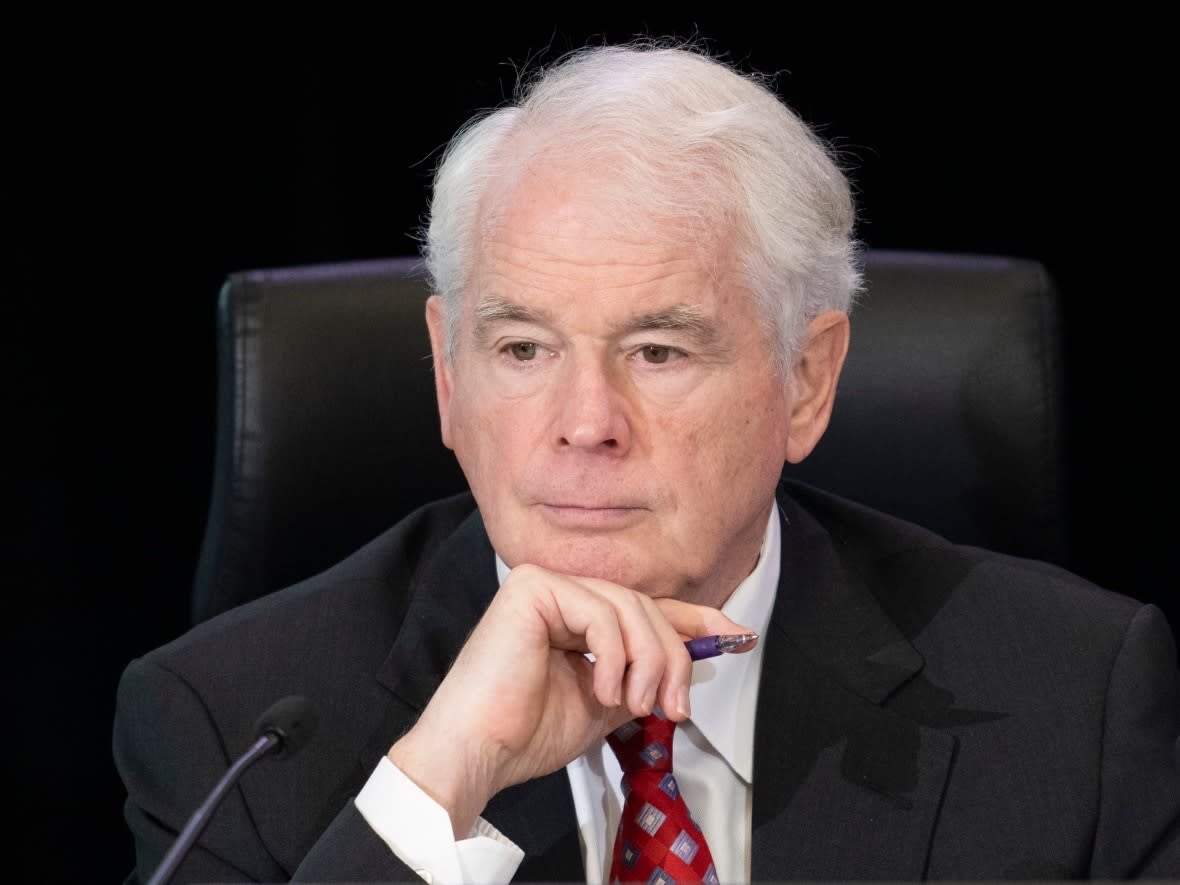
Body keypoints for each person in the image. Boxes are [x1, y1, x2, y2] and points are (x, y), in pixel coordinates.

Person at [113, 38, 1180, 883]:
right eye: (522, 348)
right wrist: (440, 787)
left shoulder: (1071, 697)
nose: (586, 422)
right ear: (447, 376)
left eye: (658, 350)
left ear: (804, 381)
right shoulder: (236, 729)